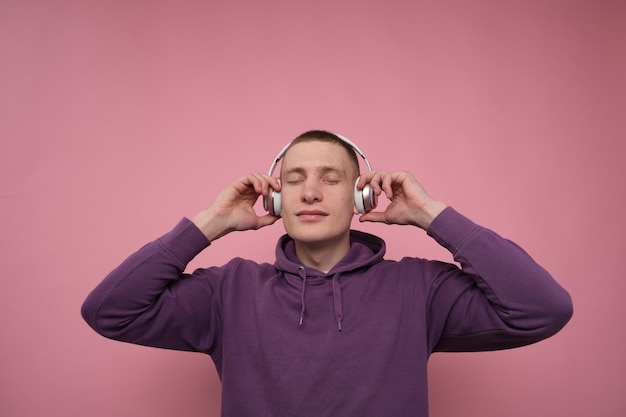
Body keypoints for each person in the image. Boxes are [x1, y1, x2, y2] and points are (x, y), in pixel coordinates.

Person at [81, 130, 573, 417]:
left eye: (330, 179)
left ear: (361, 196)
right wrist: (209, 224)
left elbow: (542, 310)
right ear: (275, 199)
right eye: (294, 181)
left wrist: (431, 215)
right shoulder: (226, 291)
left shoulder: (419, 289)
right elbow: (109, 312)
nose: (311, 193)